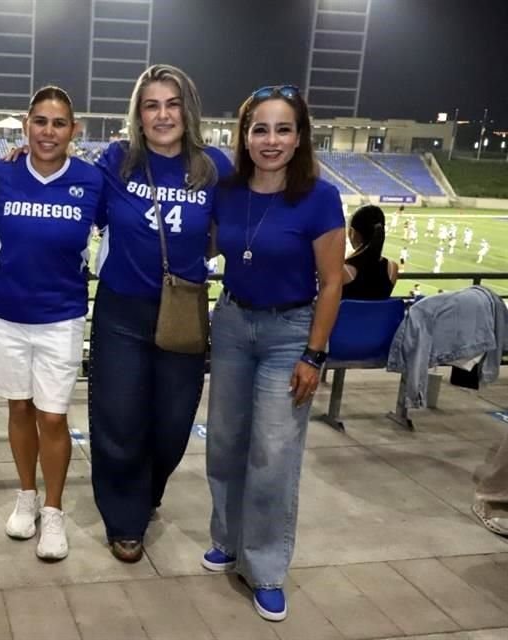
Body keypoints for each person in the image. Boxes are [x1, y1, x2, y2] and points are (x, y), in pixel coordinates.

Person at [204, 84, 345, 622]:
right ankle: (229, 540)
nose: (270, 140)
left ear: (299, 137)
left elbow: (332, 283)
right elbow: (204, 240)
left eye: (282, 128)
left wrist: (314, 356)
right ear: (244, 135)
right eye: (259, 128)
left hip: (291, 332)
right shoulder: (228, 189)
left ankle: (264, 567)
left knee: (272, 453)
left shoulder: (319, 197)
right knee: (225, 441)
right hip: (235, 323)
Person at [87, 64, 232, 564]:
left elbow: (239, 224)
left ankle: (147, 491)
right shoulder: (117, 161)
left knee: (172, 422)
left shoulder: (214, 167)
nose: (163, 114)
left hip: (184, 308)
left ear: (187, 109)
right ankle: (124, 518)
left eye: (172, 104)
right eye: (152, 105)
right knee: (119, 418)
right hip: (122, 309)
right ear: (139, 114)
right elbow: (75, 196)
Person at [0, 87, 103, 561]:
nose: (48, 132)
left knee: (53, 416)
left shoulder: (93, 182)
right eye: (40, 122)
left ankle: (53, 510)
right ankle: (26, 495)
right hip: (7, 313)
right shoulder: (2, 173)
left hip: (62, 315)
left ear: (73, 130)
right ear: (25, 125)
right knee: (18, 409)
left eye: (58, 123)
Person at [342, 204, 398, 300]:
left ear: (352, 232)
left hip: (348, 315)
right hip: (381, 315)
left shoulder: (344, 270)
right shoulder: (392, 268)